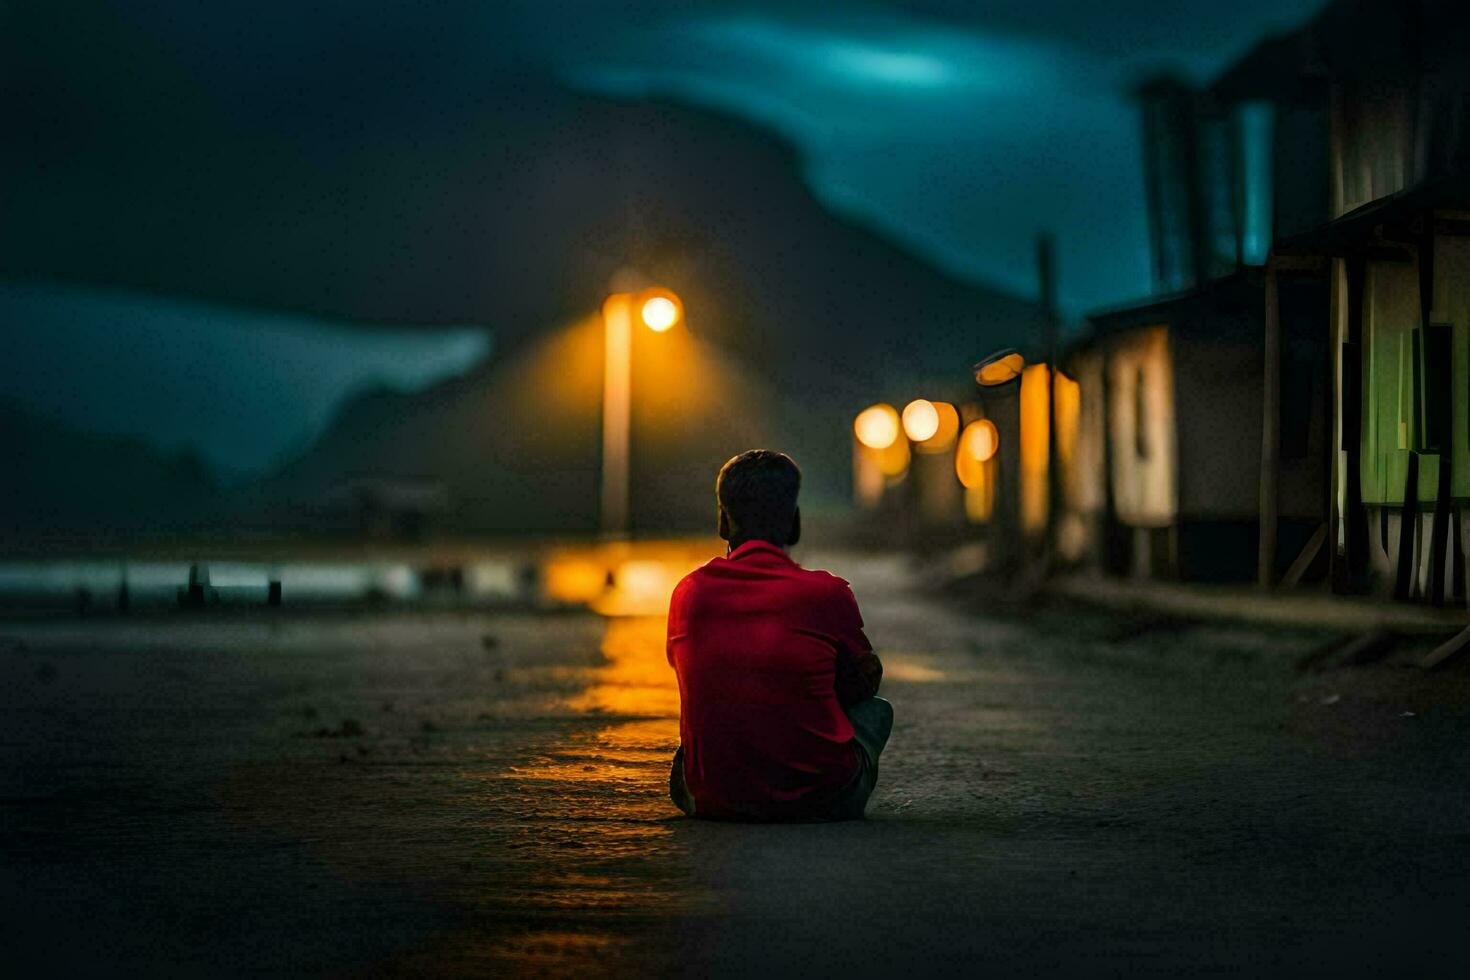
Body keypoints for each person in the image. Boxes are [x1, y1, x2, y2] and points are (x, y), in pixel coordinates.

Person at [666, 449, 893, 821]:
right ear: (795, 523)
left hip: (713, 800)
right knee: (876, 711)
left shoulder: (688, 593)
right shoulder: (827, 593)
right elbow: (864, 686)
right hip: (821, 801)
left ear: (723, 522)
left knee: (690, 749)